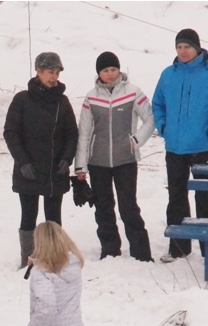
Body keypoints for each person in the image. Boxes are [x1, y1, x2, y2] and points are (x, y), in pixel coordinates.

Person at [152, 28, 208, 263]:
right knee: (176, 199)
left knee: (206, 200)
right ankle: (178, 248)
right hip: (175, 148)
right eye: (179, 47)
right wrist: (163, 126)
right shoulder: (168, 74)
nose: (183, 51)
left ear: (197, 48)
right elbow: (157, 104)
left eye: (187, 47)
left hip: (204, 147)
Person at [75, 52, 155, 261]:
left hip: (125, 160)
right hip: (98, 162)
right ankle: (110, 250)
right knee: (103, 207)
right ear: (98, 73)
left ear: (119, 70)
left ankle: (141, 253)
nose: (110, 74)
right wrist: (80, 166)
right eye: (105, 70)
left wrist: (136, 141)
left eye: (113, 69)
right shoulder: (91, 97)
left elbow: (150, 118)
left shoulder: (133, 92)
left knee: (128, 207)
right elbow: (84, 132)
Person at [3, 51, 78, 268]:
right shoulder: (22, 100)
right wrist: (22, 162)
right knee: (28, 215)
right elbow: (11, 133)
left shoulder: (62, 102)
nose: (54, 77)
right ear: (38, 71)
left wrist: (66, 158)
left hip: (55, 170)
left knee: (53, 218)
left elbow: (72, 134)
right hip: (29, 169)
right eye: (49, 72)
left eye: (56, 73)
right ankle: (29, 258)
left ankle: (55, 257)